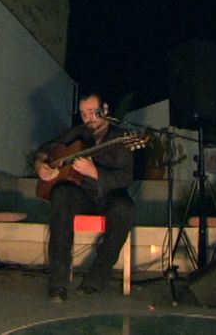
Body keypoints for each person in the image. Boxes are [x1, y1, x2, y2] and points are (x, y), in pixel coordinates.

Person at [35, 93, 135, 302]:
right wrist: (41, 165)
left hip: (110, 195)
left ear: (105, 110)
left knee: (125, 210)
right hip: (82, 194)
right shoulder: (77, 133)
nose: (88, 118)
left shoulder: (121, 138)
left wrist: (94, 172)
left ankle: (96, 279)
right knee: (61, 194)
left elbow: (125, 178)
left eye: (93, 112)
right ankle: (57, 284)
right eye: (83, 114)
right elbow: (46, 148)